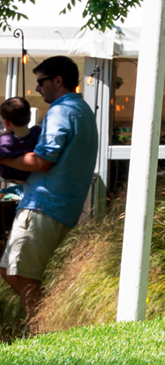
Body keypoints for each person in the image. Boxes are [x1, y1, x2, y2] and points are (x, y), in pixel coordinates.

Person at [3, 57, 101, 326]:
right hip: (60, 207)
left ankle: (44, 332)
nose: (37, 89)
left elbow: (43, 161)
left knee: (20, 275)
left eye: (41, 82)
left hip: (43, 205)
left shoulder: (60, 110)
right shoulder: (81, 108)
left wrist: (3, 158)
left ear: (57, 80)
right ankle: (47, 328)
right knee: (9, 269)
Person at [0, 97, 36, 182]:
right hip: (32, 180)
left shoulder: (4, 143)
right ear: (29, 117)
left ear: (7, 122)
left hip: (11, 181)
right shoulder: (37, 132)